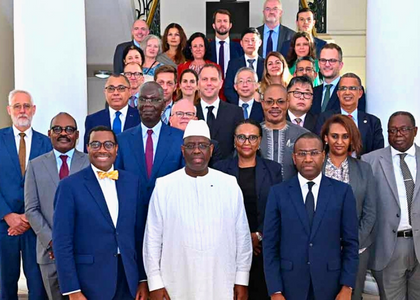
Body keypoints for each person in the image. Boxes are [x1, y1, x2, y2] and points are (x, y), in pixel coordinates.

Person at [143, 120, 252, 300]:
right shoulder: (164, 186)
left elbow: (242, 236)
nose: (196, 150)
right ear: (182, 150)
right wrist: (154, 283)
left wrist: (242, 280)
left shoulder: (229, 184)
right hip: (175, 282)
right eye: (190, 145)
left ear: (210, 150)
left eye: (202, 145)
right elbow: (152, 238)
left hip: (221, 281)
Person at [53, 126, 148, 299]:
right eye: (95, 144)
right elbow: (62, 242)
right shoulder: (69, 186)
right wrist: (72, 290)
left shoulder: (133, 182)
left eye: (108, 144)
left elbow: (139, 235)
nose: (102, 149)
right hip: (90, 281)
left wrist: (142, 278)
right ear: (87, 148)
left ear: (116, 149)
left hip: (128, 278)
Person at [263, 132, 359, 300]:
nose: (308, 159)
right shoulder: (278, 193)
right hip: (289, 286)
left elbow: (351, 244)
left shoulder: (342, 192)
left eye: (314, 153)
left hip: (331, 285)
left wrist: (347, 286)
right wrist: (275, 290)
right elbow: (270, 245)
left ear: (323, 156)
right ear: (294, 158)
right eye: (302, 153)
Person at [214, 119, 282, 300]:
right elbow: (216, 209)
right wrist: (241, 239)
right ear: (234, 140)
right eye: (242, 137)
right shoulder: (220, 169)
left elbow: (277, 209)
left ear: (259, 141)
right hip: (228, 246)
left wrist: (258, 235)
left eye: (252, 138)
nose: (246, 142)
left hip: (262, 247)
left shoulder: (273, 169)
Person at [25, 112, 90, 300]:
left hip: (84, 252)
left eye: (69, 129)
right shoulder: (35, 165)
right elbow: (31, 209)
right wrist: (53, 241)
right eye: (58, 129)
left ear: (77, 135)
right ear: (49, 133)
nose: (64, 133)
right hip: (49, 253)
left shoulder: (89, 163)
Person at [362, 111, 420, 300]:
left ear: (415, 131)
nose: (398, 134)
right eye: (392, 130)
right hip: (388, 248)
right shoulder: (369, 161)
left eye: (404, 129)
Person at [0, 90, 51, 299]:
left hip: (36, 228)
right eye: (18, 106)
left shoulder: (46, 143)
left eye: (27, 106)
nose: (22, 110)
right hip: (4, 226)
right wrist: (8, 215)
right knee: (5, 286)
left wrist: (29, 218)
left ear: (34, 110)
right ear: (9, 110)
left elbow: (49, 185)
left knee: (38, 286)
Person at [320, 115, 377, 300]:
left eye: (345, 136)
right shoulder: (314, 167)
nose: (339, 141)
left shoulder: (364, 169)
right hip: (319, 250)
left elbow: (370, 213)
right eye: (334, 136)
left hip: (356, 252)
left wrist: (351, 244)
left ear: (351, 139)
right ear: (325, 138)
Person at [115, 82, 184, 204]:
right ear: (137, 103)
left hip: (168, 210)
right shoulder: (122, 140)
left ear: (163, 104)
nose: (148, 104)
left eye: (154, 100)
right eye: (143, 99)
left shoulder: (179, 139)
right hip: (133, 213)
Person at [315, 73, 384, 155]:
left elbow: (377, 155)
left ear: (360, 93)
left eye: (352, 88)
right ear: (338, 93)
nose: (347, 92)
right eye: (343, 88)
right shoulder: (325, 118)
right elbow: (319, 148)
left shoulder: (373, 122)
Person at [259, 84, 308, 180]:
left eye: (280, 102)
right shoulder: (253, 135)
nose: (275, 106)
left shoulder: (303, 136)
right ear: (262, 103)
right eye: (269, 102)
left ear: (287, 103)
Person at [196, 64, 244, 159]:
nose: (209, 83)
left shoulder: (235, 112)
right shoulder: (190, 112)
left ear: (221, 83)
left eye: (213, 79)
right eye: (205, 79)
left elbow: (239, 146)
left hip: (227, 170)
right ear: (198, 83)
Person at [84, 74, 140, 152]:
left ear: (130, 92)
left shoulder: (140, 118)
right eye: (111, 88)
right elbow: (88, 153)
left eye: (121, 88)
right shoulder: (93, 120)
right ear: (105, 92)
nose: (116, 93)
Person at [311, 43, 366, 114]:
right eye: (323, 60)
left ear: (340, 65)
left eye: (332, 60)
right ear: (319, 64)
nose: (327, 64)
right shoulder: (312, 92)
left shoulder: (353, 90)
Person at [169, 99, 223, 166]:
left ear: (195, 119)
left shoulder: (211, 145)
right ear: (170, 120)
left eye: (189, 114)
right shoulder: (161, 142)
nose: (184, 117)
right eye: (179, 113)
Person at [225, 27, 264, 104]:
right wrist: (241, 102)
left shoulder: (266, 64)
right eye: (246, 41)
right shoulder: (233, 64)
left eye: (253, 40)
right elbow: (228, 89)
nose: (250, 43)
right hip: (238, 108)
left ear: (260, 43)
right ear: (241, 43)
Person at [209, 9, 244, 76]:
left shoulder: (239, 48)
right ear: (213, 25)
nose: (222, 24)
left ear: (230, 25)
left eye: (225, 21)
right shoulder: (207, 48)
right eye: (219, 21)